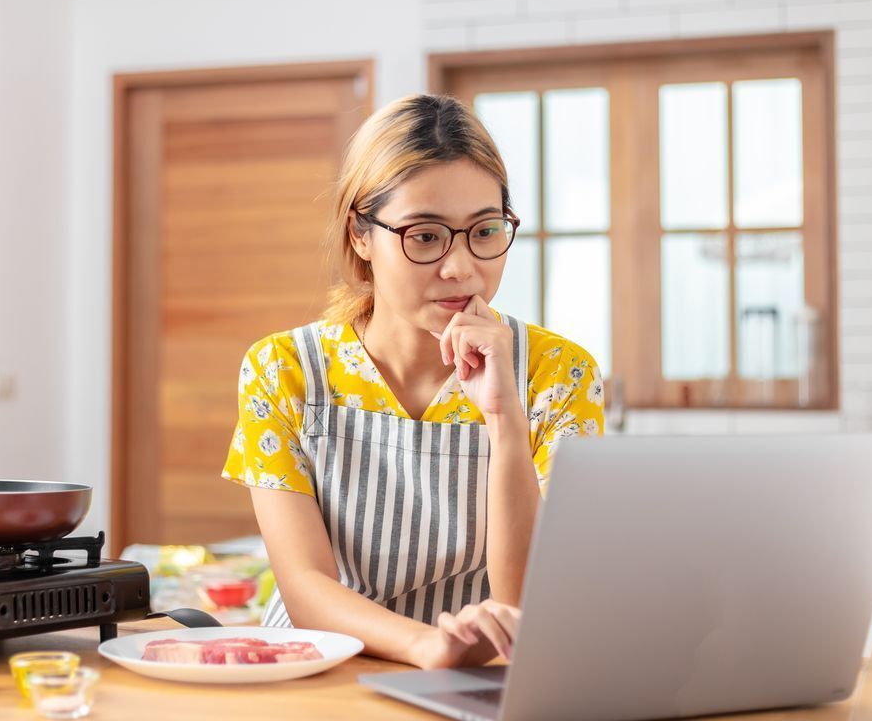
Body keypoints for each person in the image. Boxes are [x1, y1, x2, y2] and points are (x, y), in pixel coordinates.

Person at [221, 93, 603, 669]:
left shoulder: (559, 373)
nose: (461, 266)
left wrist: (504, 422)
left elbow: (526, 604)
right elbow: (304, 587)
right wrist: (430, 645)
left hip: (482, 673)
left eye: (485, 231)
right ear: (359, 235)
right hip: (321, 670)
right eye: (425, 236)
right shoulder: (284, 370)